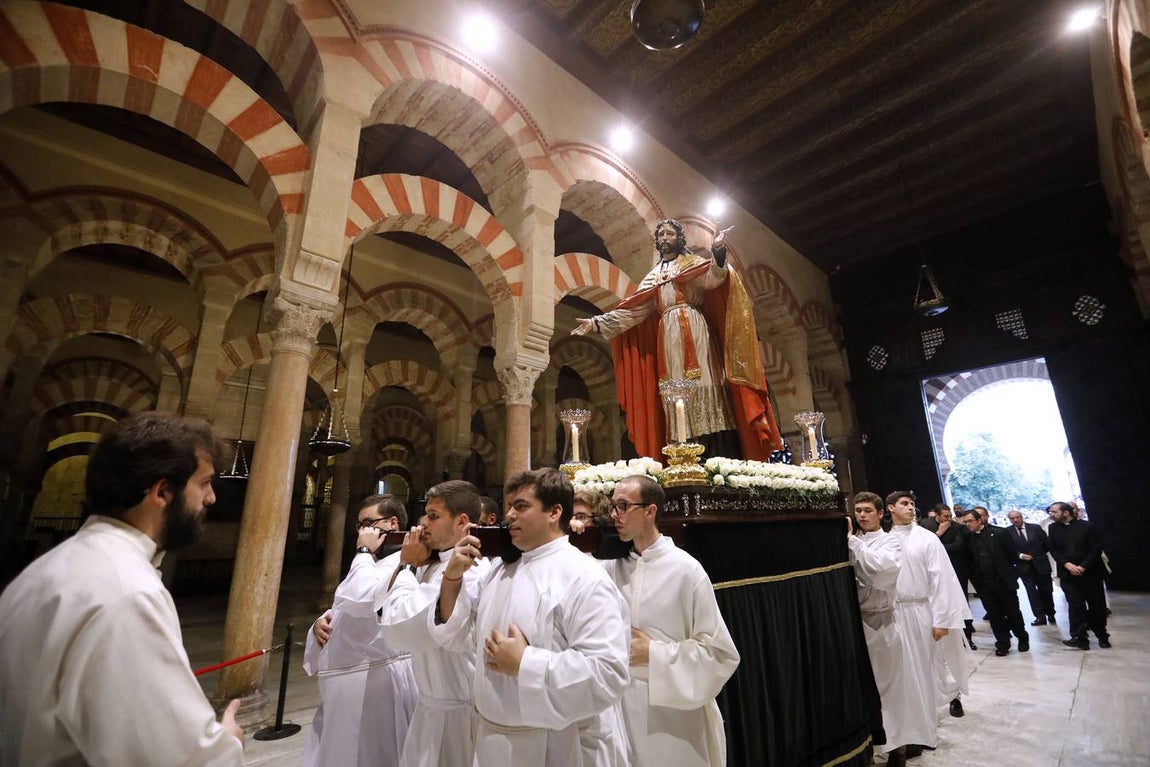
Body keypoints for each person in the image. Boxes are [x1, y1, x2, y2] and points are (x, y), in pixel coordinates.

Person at [0, 412, 244, 765]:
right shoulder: (128, 594)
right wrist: (228, 743)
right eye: (204, 483)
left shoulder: (43, 571)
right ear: (162, 492)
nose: (210, 499)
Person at [432, 468, 630, 766]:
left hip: (555, 744)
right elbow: (460, 638)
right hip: (491, 741)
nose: (509, 515)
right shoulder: (502, 571)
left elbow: (609, 673)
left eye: (521, 506)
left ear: (555, 512)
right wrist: (451, 579)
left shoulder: (584, 576)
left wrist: (526, 662)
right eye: (509, 506)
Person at [571, 218, 782, 460]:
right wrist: (596, 323)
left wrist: (718, 252)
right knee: (675, 389)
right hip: (668, 338)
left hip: (695, 327)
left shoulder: (692, 265)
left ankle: (720, 453)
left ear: (679, 238)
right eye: (660, 235)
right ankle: (683, 452)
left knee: (706, 380)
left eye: (669, 234)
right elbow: (633, 311)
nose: (664, 238)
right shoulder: (653, 277)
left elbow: (714, 278)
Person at [600, 475, 739, 767]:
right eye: (613, 507)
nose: (616, 515)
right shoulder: (608, 567)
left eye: (624, 506)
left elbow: (720, 655)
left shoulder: (686, 571)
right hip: (620, 712)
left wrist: (654, 653)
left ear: (650, 511)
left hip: (673, 719)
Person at [378, 480, 491, 767]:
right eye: (425, 514)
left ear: (461, 521)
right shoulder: (434, 563)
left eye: (434, 516)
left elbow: (399, 627)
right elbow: (383, 609)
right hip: (430, 707)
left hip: (459, 716)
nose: (422, 524)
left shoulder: (471, 568)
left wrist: (406, 565)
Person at [302, 494, 418, 767]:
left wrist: (363, 552)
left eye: (369, 523)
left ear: (392, 524)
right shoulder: (375, 564)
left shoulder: (404, 563)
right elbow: (346, 607)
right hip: (349, 684)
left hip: (375, 684)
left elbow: (361, 598)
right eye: (360, 526)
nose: (362, 532)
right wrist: (320, 623)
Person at [886, 490, 971, 757]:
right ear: (890, 509)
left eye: (912, 503)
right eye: (904, 504)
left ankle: (924, 730)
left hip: (922, 610)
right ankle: (908, 729)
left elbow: (941, 580)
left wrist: (942, 619)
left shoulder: (927, 539)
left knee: (925, 669)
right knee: (903, 674)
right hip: (894, 613)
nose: (911, 508)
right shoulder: (885, 539)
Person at [847, 492, 913, 767]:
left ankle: (896, 746)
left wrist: (851, 541)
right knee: (866, 686)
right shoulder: (856, 541)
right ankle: (871, 743)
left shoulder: (891, 541)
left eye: (866, 511)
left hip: (883, 622)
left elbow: (882, 572)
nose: (861, 515)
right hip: (858, 621)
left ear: (879, 513)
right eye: (858, 511)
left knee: (888, 686)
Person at [963, 508, 1028, 656]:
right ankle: (1002, 643)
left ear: (979, 520)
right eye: (965, 522)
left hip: (1003, 582)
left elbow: (1012, 555)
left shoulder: (999, 533)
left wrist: (1010, 575)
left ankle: (1022, 637)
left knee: (1013, 613)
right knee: (994, 615)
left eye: (969, 521)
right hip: (984, 584)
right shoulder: (968, 537)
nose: (967, 524)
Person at [1047, 501, 1110, 649]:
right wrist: (1067, 564)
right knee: (1075, 607)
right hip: (1068, 575)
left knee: (1097, 607)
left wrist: (1082, 566)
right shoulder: (1053, 528)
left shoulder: (1088, 526)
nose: (1052, 515)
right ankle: (1080, 638)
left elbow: (1095, 549)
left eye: (1054, 512)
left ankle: (1102, 635)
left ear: (1066, 513)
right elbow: (1054, 549)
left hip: (1090, 574)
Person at [921, 504, 976, 649]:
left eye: (950, 515)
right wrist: (938, 534)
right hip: (933, 572)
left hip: (957, 570)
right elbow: (921, 548)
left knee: (961, 602)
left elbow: (958, 546)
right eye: (945, 516)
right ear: (937, 516)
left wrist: (934, 546)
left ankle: (967, 638)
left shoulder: (958, 527)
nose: (949, 519)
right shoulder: (926, 526)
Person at [1006, 510, 1056, 625]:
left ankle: (1051, 612)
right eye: (1012, 518)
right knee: (1031, 592)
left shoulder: (1035, 528)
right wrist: (1020, 555)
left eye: (1017, 517)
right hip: (1023, 567)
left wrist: (1038, 554)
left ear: (1022, 517)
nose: (1015, 520)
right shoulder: (1007, 532)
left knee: (1046, 591)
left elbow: (1047, 544)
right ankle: (1040, 616)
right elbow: (1008, 549)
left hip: (1041, 564)